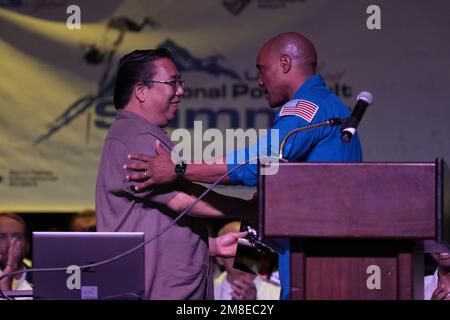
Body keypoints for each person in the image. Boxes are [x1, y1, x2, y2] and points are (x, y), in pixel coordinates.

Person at [123, 32, 363, 299]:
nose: (260, 81)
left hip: (314, 262)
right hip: (315, 256)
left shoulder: (307, 108)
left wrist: (177, 168)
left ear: (285, 64)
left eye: (262, 70)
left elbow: (257, 162)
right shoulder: (332, 106)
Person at [95, 48, 256, 300]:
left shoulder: (143, 133)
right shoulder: (135, 136)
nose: (180, 91)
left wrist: (209, 246)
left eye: (180, 82)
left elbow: (158, 221)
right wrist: (252, 209)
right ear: (141, 91)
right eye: (173, 82)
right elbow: (185, 201)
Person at [214, 221, 280, 300]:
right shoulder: (206, 289)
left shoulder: (279, 292)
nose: (237, 250)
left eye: (244, 243)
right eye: (230, 243)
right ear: (219, 259)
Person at [0, 212, 33, 293]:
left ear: (27, 245)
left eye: (17, 237)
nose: (10, 244)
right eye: (2, 237)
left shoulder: (43, 282)